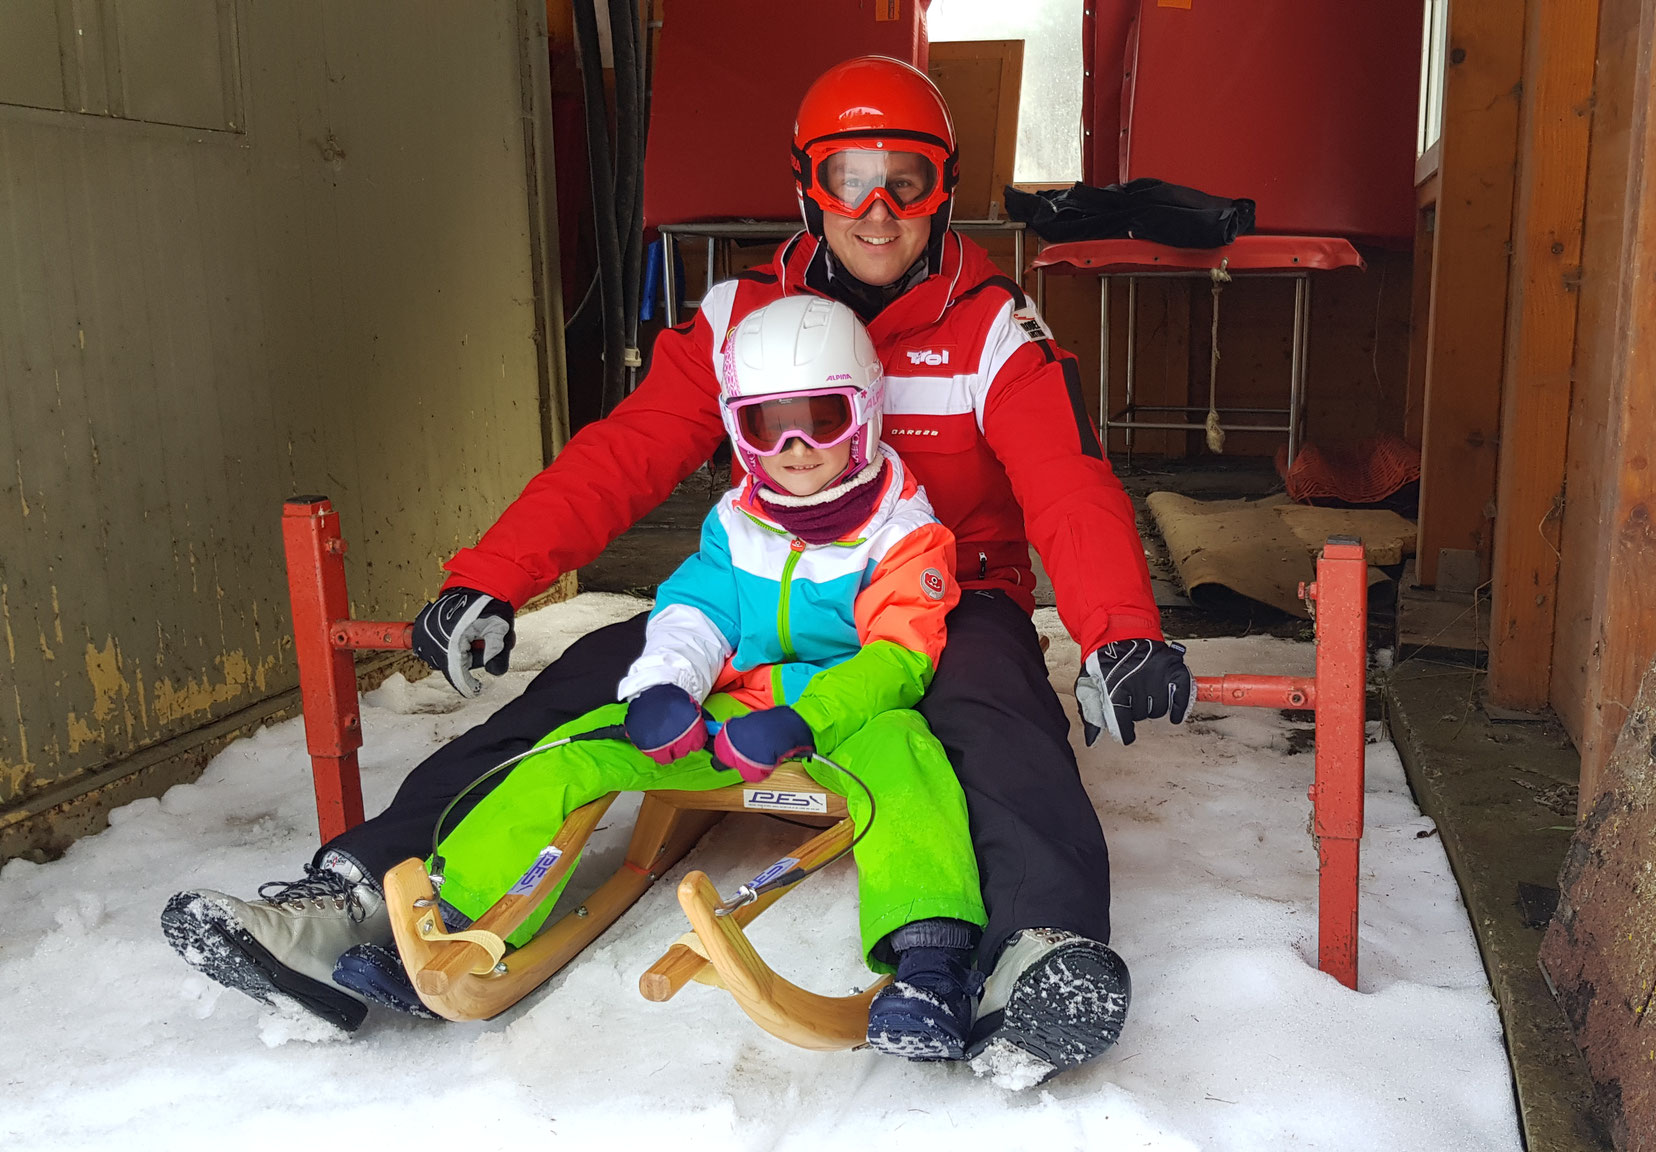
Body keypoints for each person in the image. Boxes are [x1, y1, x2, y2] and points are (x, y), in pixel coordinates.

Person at [162, 55, 1190, 1086]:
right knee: (588, 681)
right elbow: (626, 452)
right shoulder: (739, 316)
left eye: (906, 181)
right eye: (848, 179)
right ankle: (356, 897)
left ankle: (1040, 953)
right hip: (758, 592)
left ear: (944, 188)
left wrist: (1117, 625)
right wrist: (494, 575)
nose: (877, 211)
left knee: (992, 709)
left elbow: (1066, 481)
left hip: (934, 595)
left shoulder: (989, 329)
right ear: (807, 187)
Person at [329, 296, 987, 1058]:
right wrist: (663, 689)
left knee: (912, 758)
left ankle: (930, 962)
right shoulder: (738, 521)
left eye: (823, 419)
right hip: (731, 718)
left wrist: (807, 720)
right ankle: (458, 915)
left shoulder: (905, 532)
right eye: (768, 426)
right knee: (569, 749)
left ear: (867, 414)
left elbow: (897, 658)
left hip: (844, 723)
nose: (796, 449)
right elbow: (695, 614)